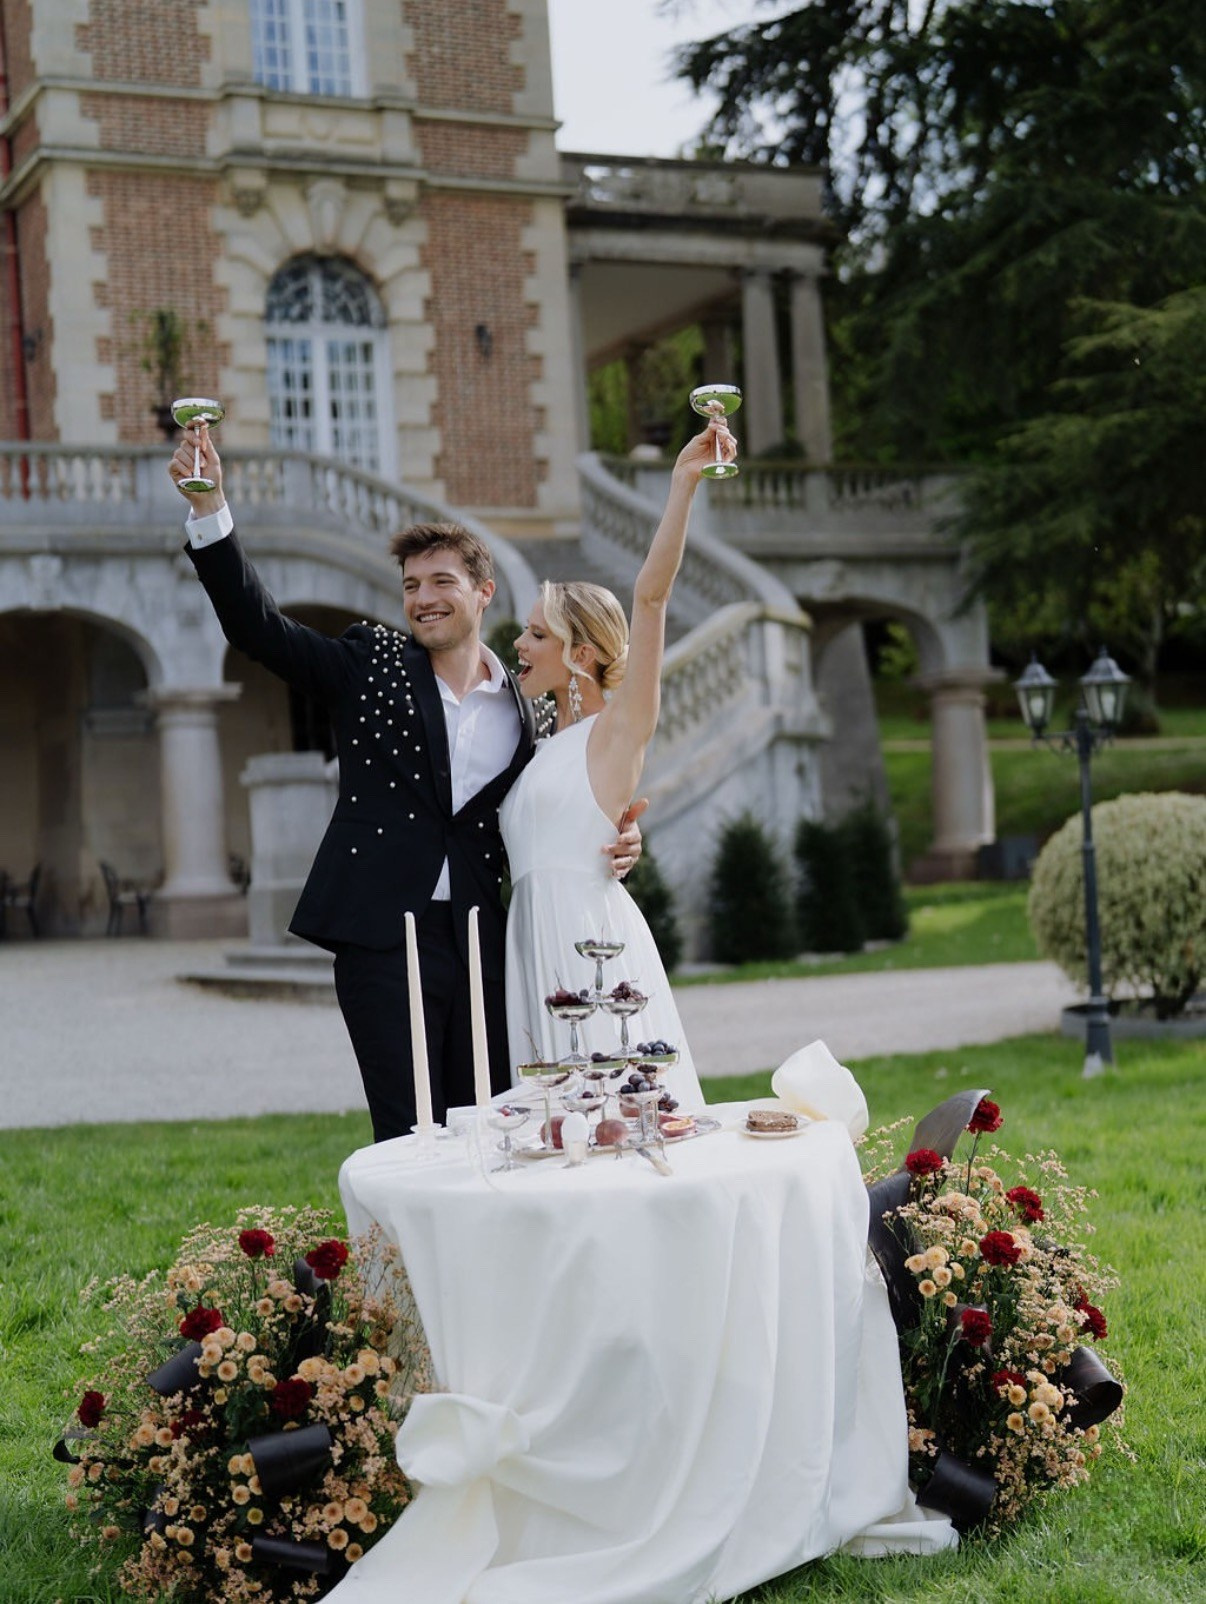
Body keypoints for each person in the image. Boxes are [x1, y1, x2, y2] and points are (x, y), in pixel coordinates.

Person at [168, 425, 642, 1142]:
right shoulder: (371, 664)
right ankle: (397, 1258)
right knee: (405, 1130)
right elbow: (259, 629)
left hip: (482, 941)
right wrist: (211, 513)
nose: (424, 599)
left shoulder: (526, 706)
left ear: (482, 592)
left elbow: (572, 793)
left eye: (442, 582)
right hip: (384, 935)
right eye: (412, 586)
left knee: (485, 1123)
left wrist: (625, 834)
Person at [500, 414, 737, 1113]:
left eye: (537, 633)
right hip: (530, 941)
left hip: (589, 945)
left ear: (582, 655)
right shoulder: (538, 743)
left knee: (613, 1121)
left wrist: (683, 486)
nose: (519, 642)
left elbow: (651, 597)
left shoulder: (617, 730)